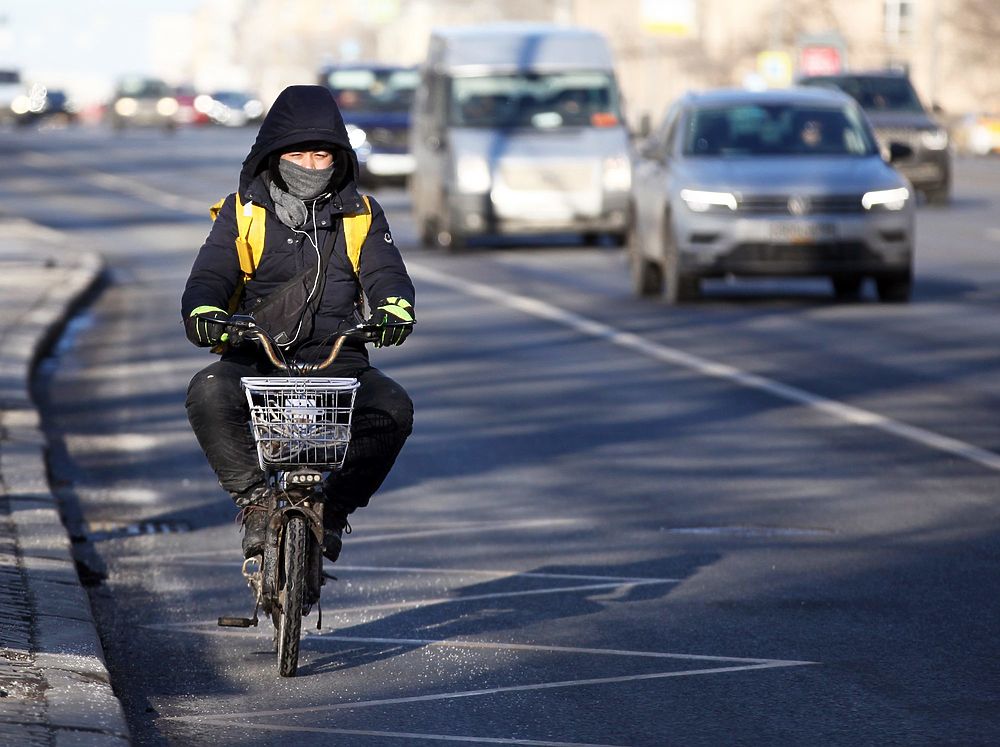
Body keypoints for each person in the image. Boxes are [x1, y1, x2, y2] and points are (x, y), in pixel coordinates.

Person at [181, 85, 415, 562]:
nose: (311, 165)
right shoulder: (242, 212)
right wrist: (205, 313)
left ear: (339, 158)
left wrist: (395, 308)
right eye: (298, 153)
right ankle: (256, 504)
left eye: (321, 154)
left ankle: (332, 512)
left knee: (394, 407)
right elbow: (211, 273)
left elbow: (386, 273)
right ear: (274, 155)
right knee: (207, 389)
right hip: (256, 355)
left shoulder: (362, 215)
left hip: (336, 358)